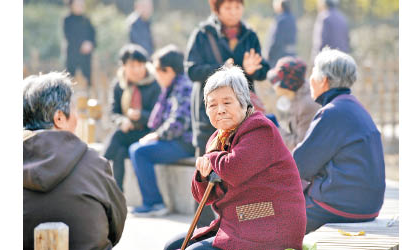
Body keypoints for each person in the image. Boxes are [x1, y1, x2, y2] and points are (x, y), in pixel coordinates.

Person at [164, 65, 306, 250]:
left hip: (270, 221)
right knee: (171, 246)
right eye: (212, 104)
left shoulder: (259, 128)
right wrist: (203, 174)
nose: (220, 110)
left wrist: (211, 157)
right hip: (241, 220)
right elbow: (203, 197)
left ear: (243, 102)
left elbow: (234, 169)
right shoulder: (217, 139)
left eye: (227, 102)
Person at [23, 72, 127, 250]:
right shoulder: (94, 162)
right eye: (75, 109)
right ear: (59, 118)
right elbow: (116, 226)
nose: (78, 117)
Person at [293, 48, 386, 234]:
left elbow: (299, 165)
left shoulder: (332, 112)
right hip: (367, 207)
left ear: (324, 80)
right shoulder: (353, 106)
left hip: (337, 206)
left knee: (266, 216)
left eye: (313, 73)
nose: (309, 80)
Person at [185, 0, 270, 158]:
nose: (233, 12)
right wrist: (221, 68)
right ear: (217, 9)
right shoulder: (203, 34)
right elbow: (191, 70)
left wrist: (253, 70)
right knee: (207, 170)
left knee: (241, 167)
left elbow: (264, 69)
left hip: (241, 116)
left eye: (237, 7)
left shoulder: (249, 36)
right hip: (209, 116)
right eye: (228, 8)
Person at [129, 45, 194, 216]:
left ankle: (155, 203)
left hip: (185, 142)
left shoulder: (184, 87)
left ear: (169, 70)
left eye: (157, 70)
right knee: (134, 147)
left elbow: (179, 122)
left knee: (139, 152)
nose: (156, 75)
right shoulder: (173, 86)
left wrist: (157, 135)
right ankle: (153, 202)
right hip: (175, 139)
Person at [103, 44, 161, 191]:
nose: (136, 70)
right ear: (123, 67)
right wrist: (122, 121)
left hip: (149, 133)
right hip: (127, 132)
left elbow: (160, 115)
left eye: (140, 65)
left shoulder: (155, 84)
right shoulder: (119, 85)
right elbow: (113, 112)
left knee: (118, 136)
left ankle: (99, 166)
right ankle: (117, 192)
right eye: (132, 66)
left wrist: (141, 115)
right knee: (120, 151)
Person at [267, 56, 320, 151]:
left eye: (276, 82)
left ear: (287, 85)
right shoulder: (297, 95)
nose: (273, 85)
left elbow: (300, 146)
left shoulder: (306, 105)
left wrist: (275, 129)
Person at [63, 0, 96, 89]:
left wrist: (90, 44)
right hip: (73, 56)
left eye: (81, 4)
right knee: (69, 81)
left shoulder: (87, 20)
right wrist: (81, 45)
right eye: (77, 4)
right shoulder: (67, 20)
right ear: (71, 5)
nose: (80, 6)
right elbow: (69, 36)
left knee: (87, 82)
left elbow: (93, 35)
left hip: (86, 57)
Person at [266, 0, 297, 67]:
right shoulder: (292, 18)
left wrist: (269, 54)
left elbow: (275, 40)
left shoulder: (280, 20)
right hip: (291, 55)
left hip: (279, 57)